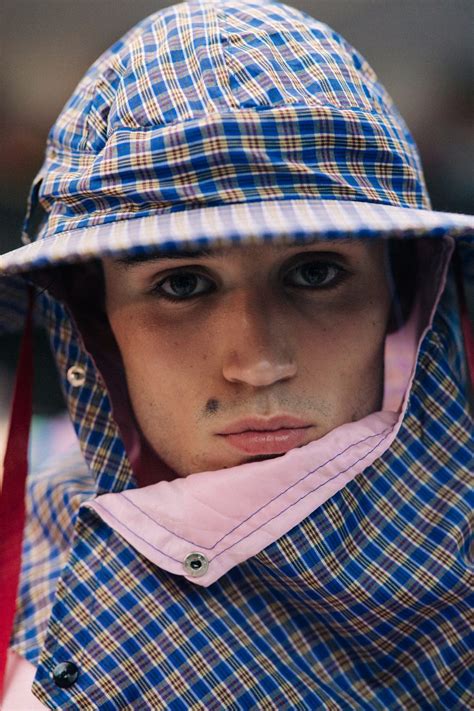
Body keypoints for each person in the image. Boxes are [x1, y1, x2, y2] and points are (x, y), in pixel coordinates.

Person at [0, 0, 472, 707]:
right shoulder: (26, 578)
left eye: (315, 272)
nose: (256, 362)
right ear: (94, 321)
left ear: (403, 294)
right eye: (182, 284)